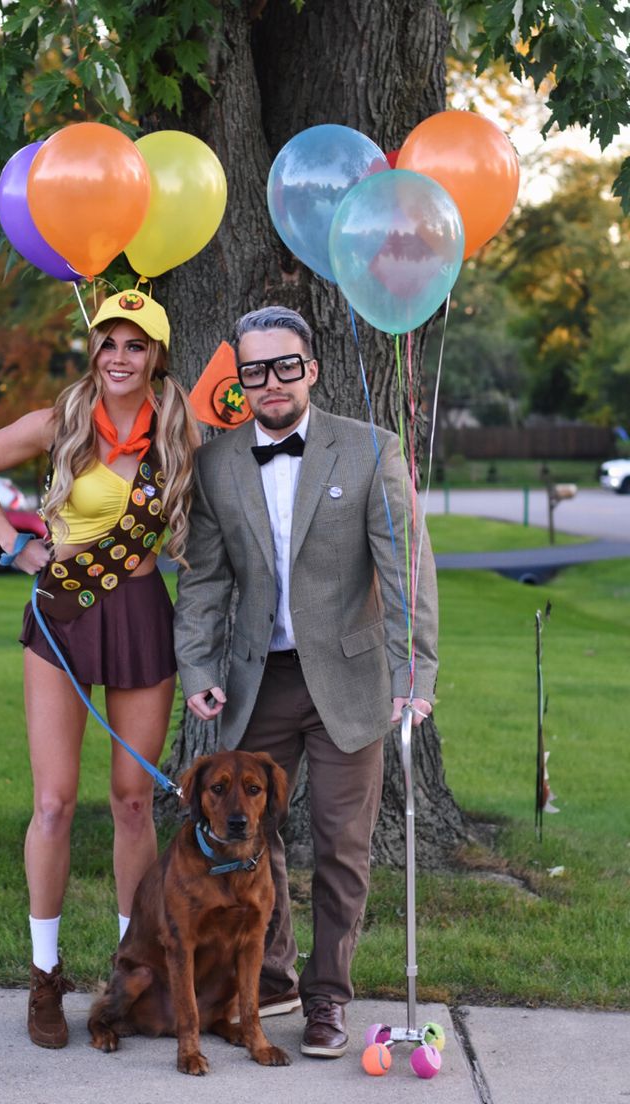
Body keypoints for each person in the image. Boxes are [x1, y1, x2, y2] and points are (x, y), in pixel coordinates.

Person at [173, 305, 438, 1059]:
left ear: (311, 369)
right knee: (252, 837)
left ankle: (328, 998)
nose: (272, 382)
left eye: (286, 365)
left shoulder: (368, 450)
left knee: (342, 844)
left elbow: (406, 570)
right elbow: (203, 580)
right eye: (255, 370)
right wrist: (198, 666)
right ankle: (277, 972)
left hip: (351, 682)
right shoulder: (218, 463)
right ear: (242, 380)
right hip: (257, 682)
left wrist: (413, 671)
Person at [0, 289, 200, 1049]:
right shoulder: (62, 421)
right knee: (55, 803)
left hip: (138, 614)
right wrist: (14, 543)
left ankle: (133, 972)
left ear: (155, 356)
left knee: (133, 802)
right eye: (107, 343)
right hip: (64, 611)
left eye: (134, 345)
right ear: (94, 351)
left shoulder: (178, 431)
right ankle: (43, 976)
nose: (119, 357)